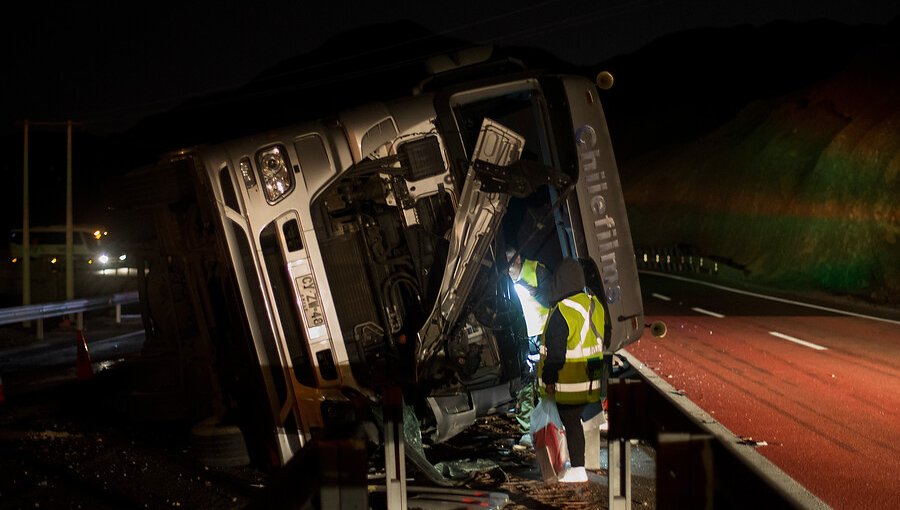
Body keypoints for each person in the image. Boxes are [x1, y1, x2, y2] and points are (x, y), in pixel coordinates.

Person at [537, 258, 606, 483]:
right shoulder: (593, 303)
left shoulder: (563, 311)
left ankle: (578, 469)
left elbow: (555, 353)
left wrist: (548, 379)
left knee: (570, 422)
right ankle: (585, 462)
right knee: (582, 419)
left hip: (571, 378)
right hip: (592, 374)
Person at [506, 247, 552, 439]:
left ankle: (546, 427)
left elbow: (551, 297)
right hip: (525, 336)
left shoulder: (536, 270)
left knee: (542, 378)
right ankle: (527, 428)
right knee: (526, 379)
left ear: (517, 259)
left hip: (543, 332)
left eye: (508, 263)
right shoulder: (507, 279)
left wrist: (534, 291)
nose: (507, 269)